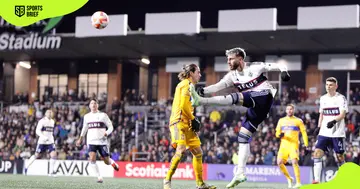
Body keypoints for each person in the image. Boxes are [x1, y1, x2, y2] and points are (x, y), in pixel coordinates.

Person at [189, 47, 290, 188]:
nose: (228, 62)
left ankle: (201, 101)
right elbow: (219, 86)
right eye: (228, 59)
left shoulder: (255, 67)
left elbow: (279, 65)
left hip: (264, 97)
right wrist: (204, 90)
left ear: (240, 59)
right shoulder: (232, 76)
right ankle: (240, 173)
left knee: (237, 97)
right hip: (256, 108)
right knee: (243, 137)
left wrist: (284, 72)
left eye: (231, 59)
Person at [163, 64, 216, 189]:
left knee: (198, 152)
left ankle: (200, 184)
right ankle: (166, 180)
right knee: (181, 150)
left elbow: (188, 105)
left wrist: (192, 119)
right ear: (191, 73)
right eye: (198, 72)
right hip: (178, 122)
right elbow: (183, 106)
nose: (200, 74)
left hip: (187, 123)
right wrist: (194, 119)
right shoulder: (186, 84)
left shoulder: (190, 86)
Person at [312, 77, 348, 184]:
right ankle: (317, 180)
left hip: (337, 133)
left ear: (336, 86)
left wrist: (334, 121)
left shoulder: (341, 98)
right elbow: (321, 114)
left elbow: (343, 114)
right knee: (317, 153)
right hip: (324, 132)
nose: (328, 87)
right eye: (327, 85)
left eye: (331, 85)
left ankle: (343, 178)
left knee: (340, 157)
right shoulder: (323, 98)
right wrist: (318, 127)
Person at [76, 98, 119, 183]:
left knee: (106, 161)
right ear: (89, 106)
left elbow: (111, 127)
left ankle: (112, 162)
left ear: (97, 105)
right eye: (92, 103)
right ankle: (99, 177)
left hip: (102, 141)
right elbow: (84, 128)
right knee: (92, 158)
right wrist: (80, 138)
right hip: (91, 141)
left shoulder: (103, 115)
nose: (93, 105)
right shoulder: (87, 116)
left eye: (95, 103)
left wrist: (106, 133)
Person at [276, 104, 308, 188]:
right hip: (283, 145)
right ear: (286, 111)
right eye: (288, 109)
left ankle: (298, 182)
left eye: (291, 109)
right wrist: (279, 135)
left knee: (294, 161)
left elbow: (304, 133)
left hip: (293, 144)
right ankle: (289, 178)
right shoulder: (281, 120)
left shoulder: (298, 121)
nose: (289, 111)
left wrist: (306, 144)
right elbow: (277, 133)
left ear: (293, 110)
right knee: (279, 163)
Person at [25, 109, 57, 176]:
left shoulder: (52, 121)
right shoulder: (42, 121)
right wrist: (43, 137)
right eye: (48, 112)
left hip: (50, 142)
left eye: (51, 112)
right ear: (45, 114)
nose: (50, 113)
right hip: (42, 141)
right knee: (37, 155)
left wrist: (52, 139)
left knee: (53, 155)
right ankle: (26, 166)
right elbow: (37, 131)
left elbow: (50, 132)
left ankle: (51, 172)